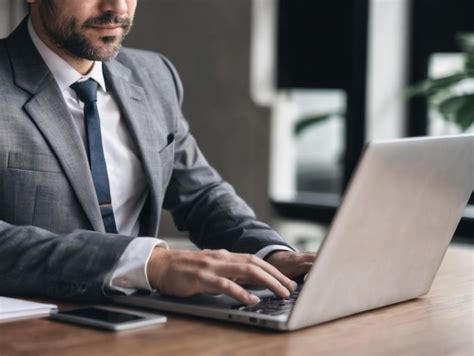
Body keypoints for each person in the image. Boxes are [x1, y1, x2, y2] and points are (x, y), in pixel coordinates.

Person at [0, 0, 315, 304]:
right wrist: (152, 264)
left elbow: (202, 195)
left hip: (147, 321)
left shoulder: (154, 75)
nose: (118, 9)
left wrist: (273, 255)